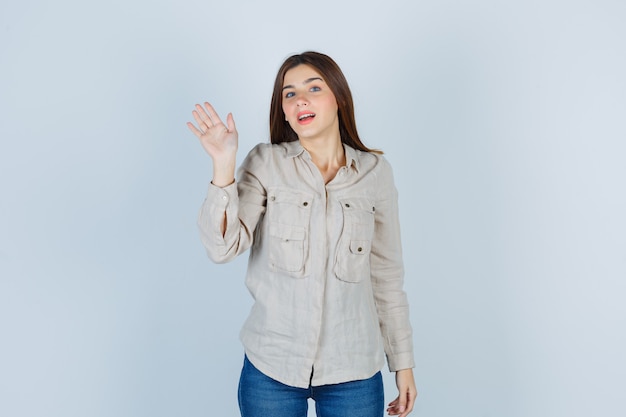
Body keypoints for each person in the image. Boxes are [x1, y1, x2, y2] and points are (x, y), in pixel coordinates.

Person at [187, 51, 417, 417]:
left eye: (313, 87)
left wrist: (402, 363)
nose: (300, 99)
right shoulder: (265, 163)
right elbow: (223, 247)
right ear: (283, 110)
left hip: (354, 371)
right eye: (289, 93)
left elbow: (387, 277)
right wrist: (223, 165)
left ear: (339, 97)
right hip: (271, 368)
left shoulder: (375, 173)